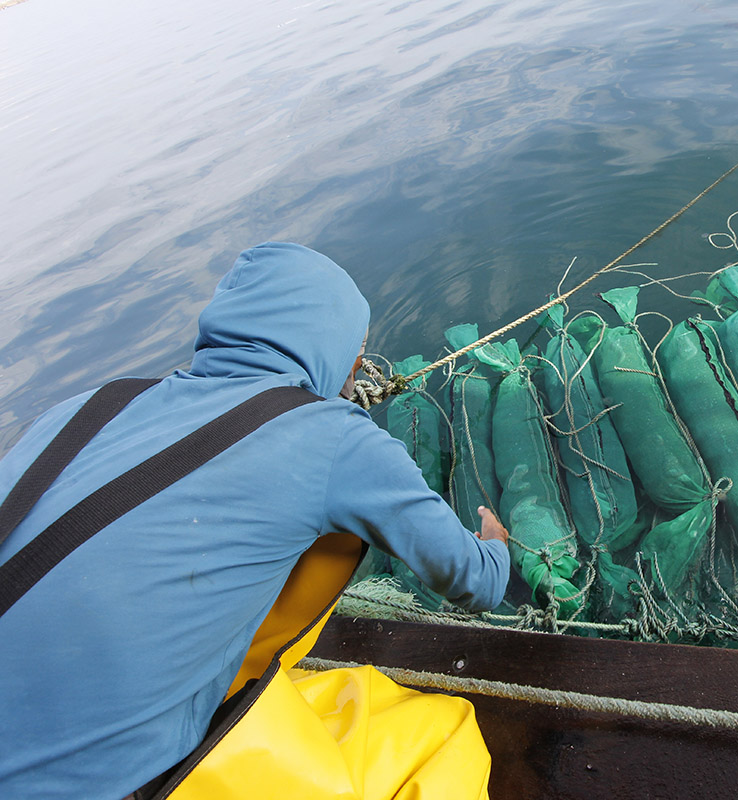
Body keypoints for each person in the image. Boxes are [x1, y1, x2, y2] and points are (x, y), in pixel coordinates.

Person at [0, 242, 511, 799]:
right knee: (445, 737)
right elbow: (477, 582)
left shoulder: (84, 408)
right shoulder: (334, 435)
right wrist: (495, 543)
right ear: (332, 345)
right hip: (108, 786)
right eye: (357, 349)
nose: (359, 368)